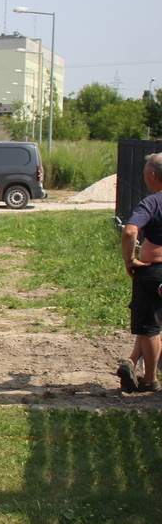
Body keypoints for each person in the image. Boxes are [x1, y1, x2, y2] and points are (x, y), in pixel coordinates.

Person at [117, 152, 162, 392]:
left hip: (154, 272)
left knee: (149, 328)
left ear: (153, 176)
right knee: (151, 323)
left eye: (145, 173)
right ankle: (132, 361)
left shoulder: (152, 202)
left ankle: (150, 379)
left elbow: (129, 231)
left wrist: (129, 259)